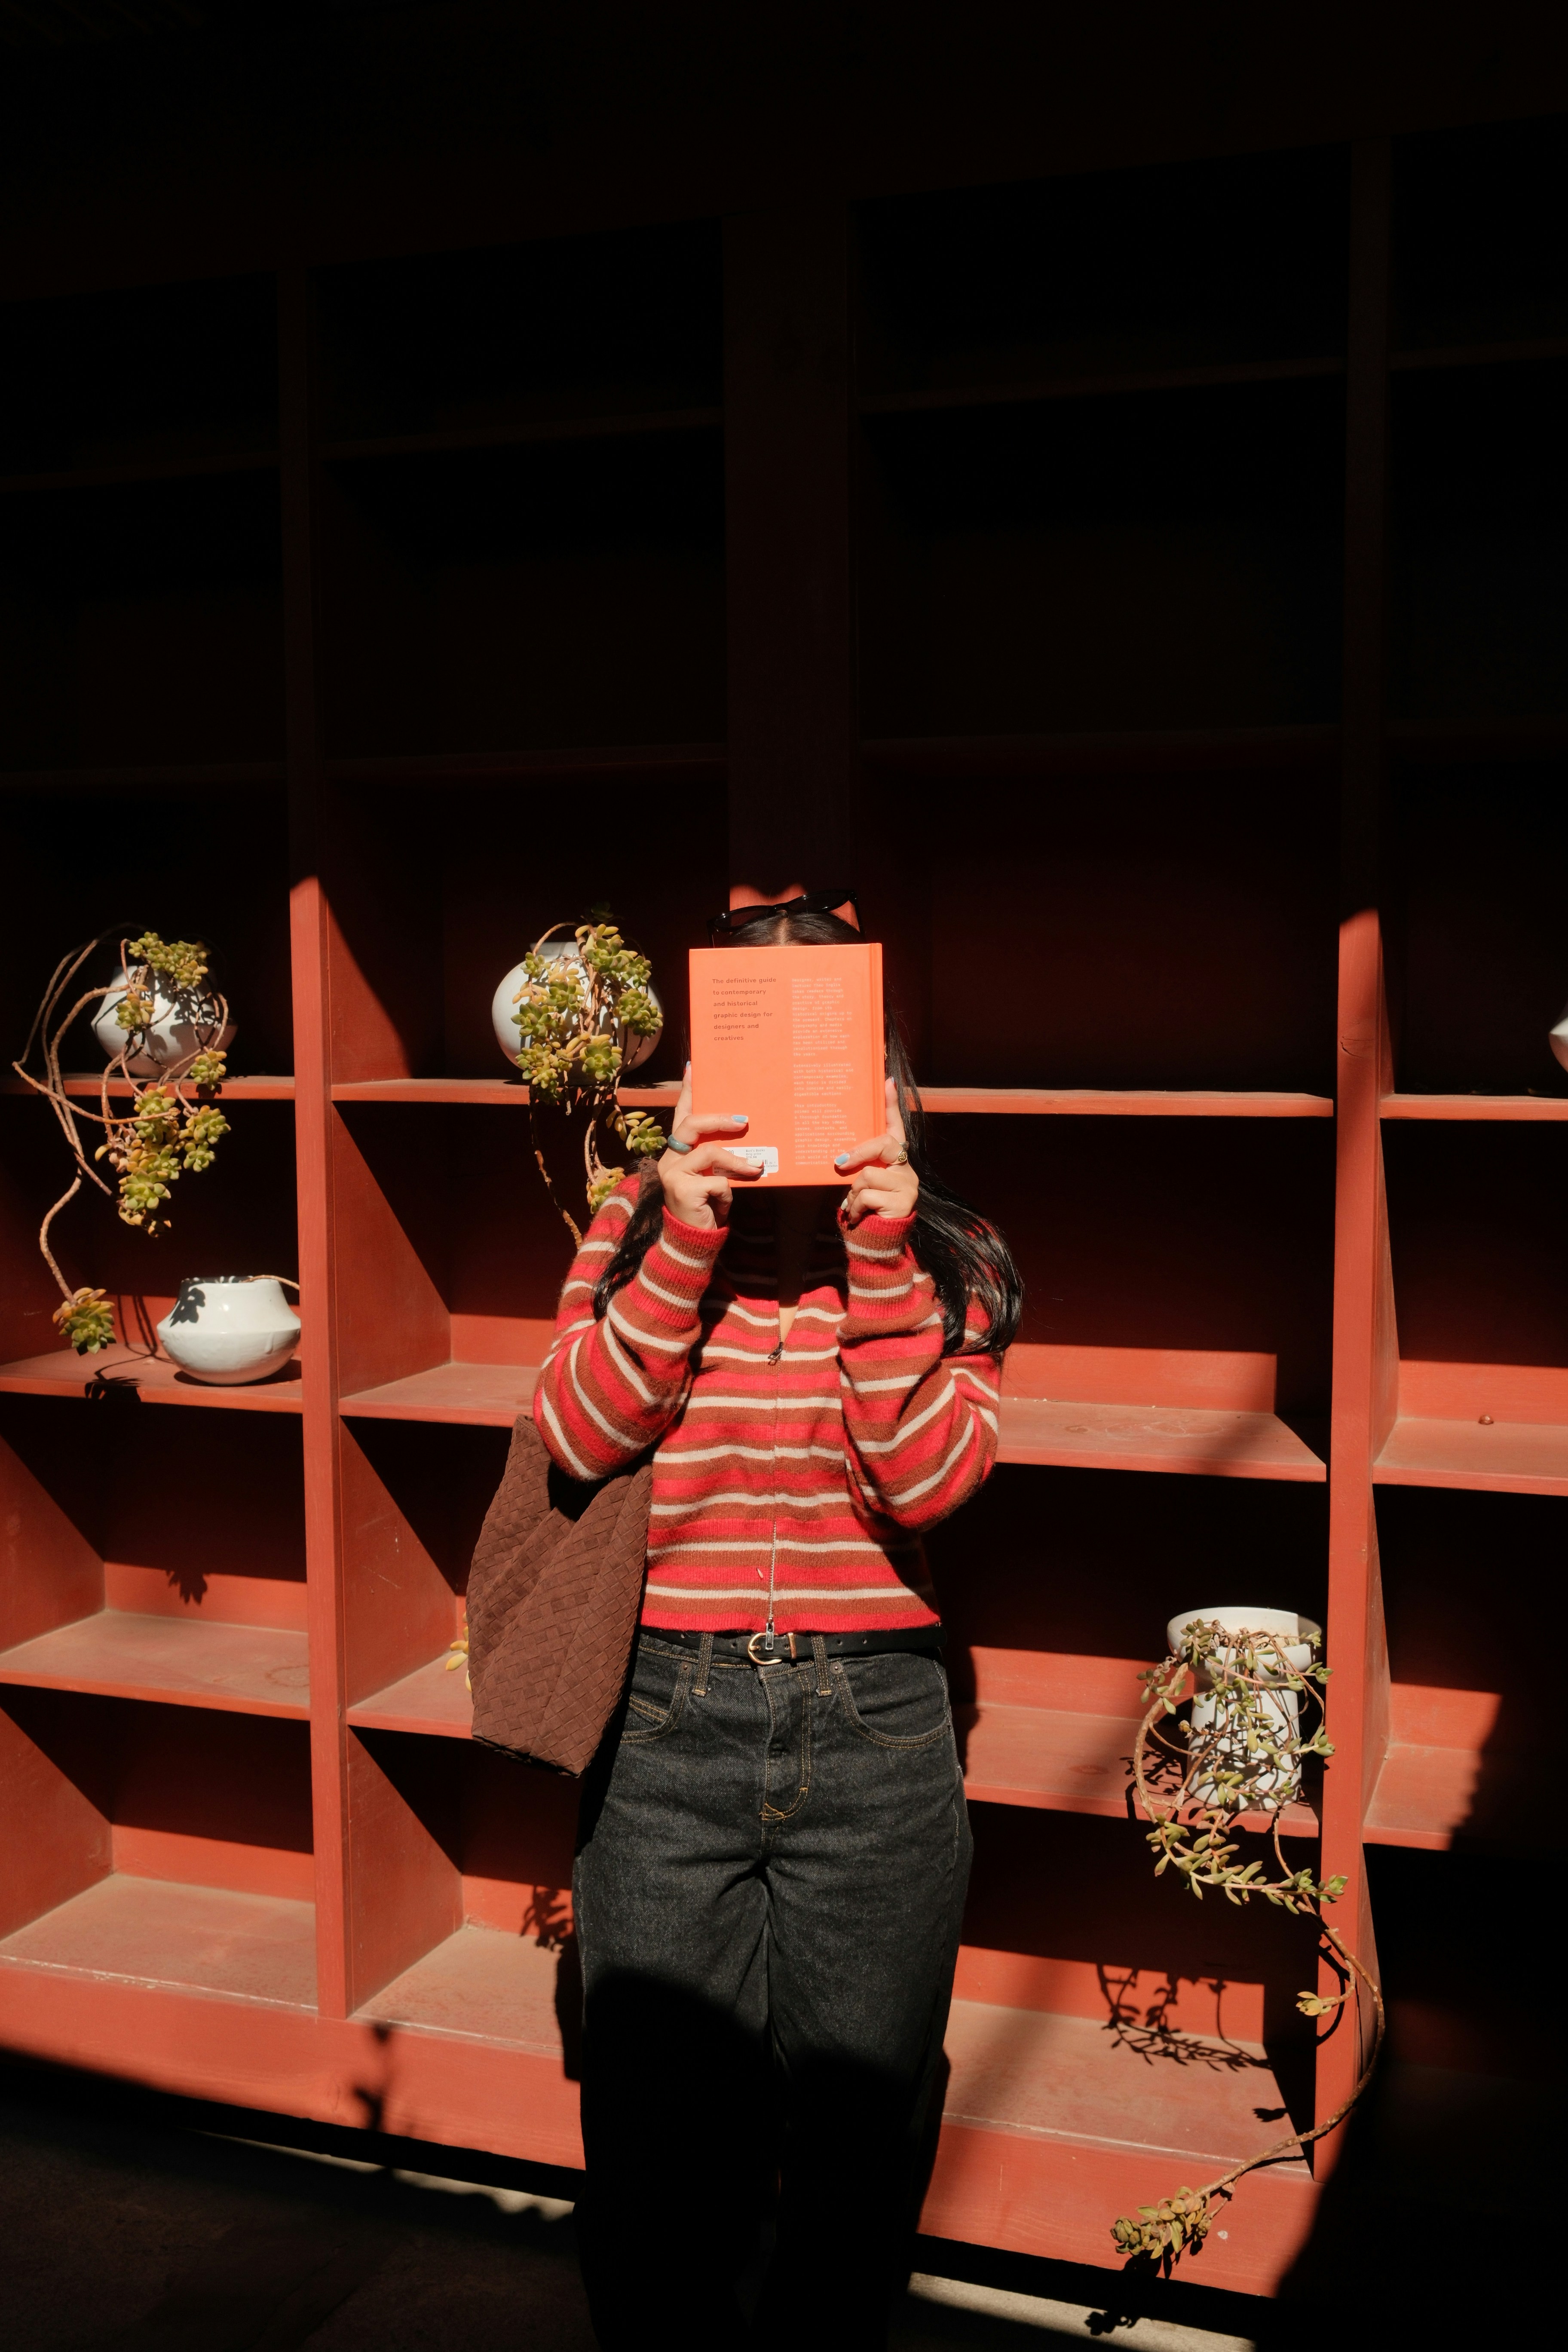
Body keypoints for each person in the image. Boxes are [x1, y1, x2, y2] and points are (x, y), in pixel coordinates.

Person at [533, 896, 1022, 2352]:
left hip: (874, 1739)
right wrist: (679, 1241)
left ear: (884, 1067)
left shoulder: (954, 1253)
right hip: (665, 1726)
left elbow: (925, 1481)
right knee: (653, 2156)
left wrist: (880, 1260)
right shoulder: (632, 1225)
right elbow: (573, 1433)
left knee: (859, 2157)